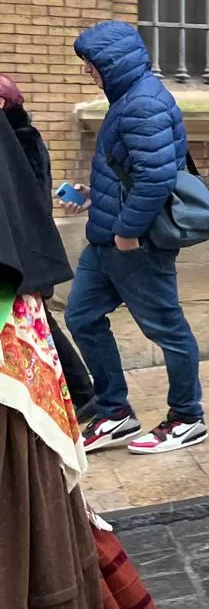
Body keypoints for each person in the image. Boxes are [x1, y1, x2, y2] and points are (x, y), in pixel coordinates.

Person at [63, 21, 207, 455]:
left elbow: (156, 178)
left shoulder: (143, 103)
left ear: (111, 62)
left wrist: (127, 231)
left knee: (168, 330)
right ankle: (114, 413)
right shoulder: (127, 99)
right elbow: (130, 170)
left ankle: (187, 418)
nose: (87, 71)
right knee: (81, 317)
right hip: (106, 239)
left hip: (136, 244)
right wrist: (95, 196)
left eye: (90, 63)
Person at [0, 87, 103, 609]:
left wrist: (118, 221)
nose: (87, 73)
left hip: (15, 314)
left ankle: (164, 409)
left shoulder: (139, 107)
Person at [0, 74, 98, 422]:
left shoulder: (21, 141)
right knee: (42, 325)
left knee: (43, 325)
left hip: (26, 249)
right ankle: (82, 394)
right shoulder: (19, 137)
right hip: (25, 249)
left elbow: (29, 201)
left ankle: (83, 394)